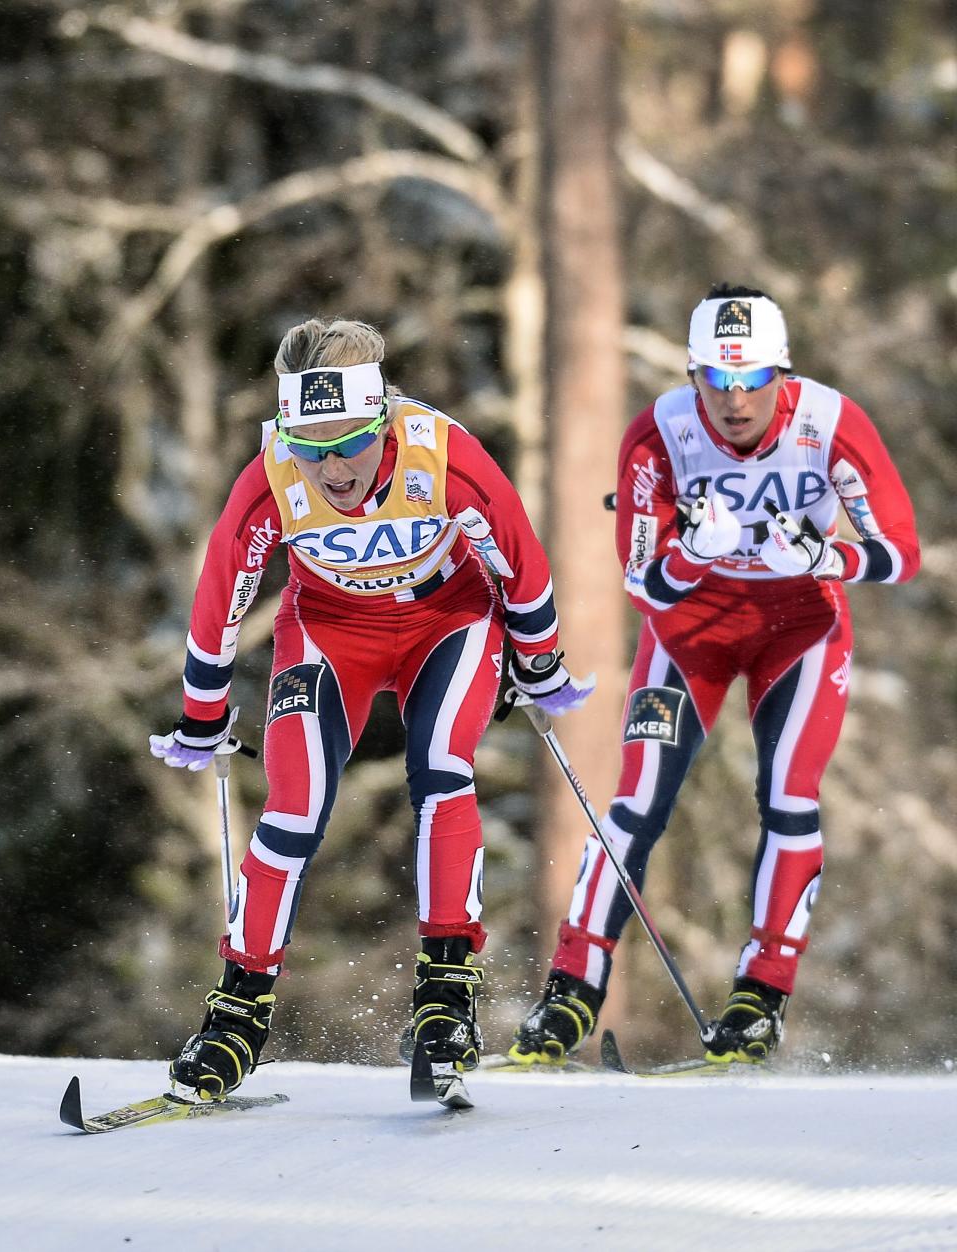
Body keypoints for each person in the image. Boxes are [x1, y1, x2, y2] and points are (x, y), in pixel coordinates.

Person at [150, 317, 594, 1100]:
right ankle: (236, 1016)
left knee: (442, 774)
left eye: (349, 443)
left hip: (447, 620)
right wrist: (201, 711)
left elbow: (519, 561)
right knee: (292, 809)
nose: (332, 468)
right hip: (329, 630)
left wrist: (541, 662)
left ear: (381, 422)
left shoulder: (440, 453)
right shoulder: (274, 473)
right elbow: (224, 591)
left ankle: (446, 999)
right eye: (310, 446)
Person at [510, 284, 920, 1067]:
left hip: (799, 634)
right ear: (693, 374)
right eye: (716, 381)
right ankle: (570, 991)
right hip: (688, 637)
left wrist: (831, 555)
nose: (735, 402)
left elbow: (901, 550)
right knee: (637, 802)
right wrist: (694, 550)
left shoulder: (830, 424)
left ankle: (760, 997)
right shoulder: (660, 434)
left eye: (753, 381)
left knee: (789, 796)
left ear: (781, 374)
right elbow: (639, 580)